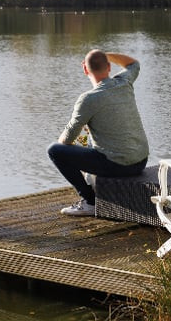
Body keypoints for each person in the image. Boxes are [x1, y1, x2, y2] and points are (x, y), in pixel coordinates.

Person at [47, 50, 149, 216]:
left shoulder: (88, 99)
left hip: (118, 165)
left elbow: (67, 139)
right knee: (97, 144)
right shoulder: (124, 81)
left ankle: (90, 202)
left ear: (85, 70)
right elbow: (133, 64)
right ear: (109, 67)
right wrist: (106, 55)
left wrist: (70, 152)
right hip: (140, 162)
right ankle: (94, 189)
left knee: (55, 151)